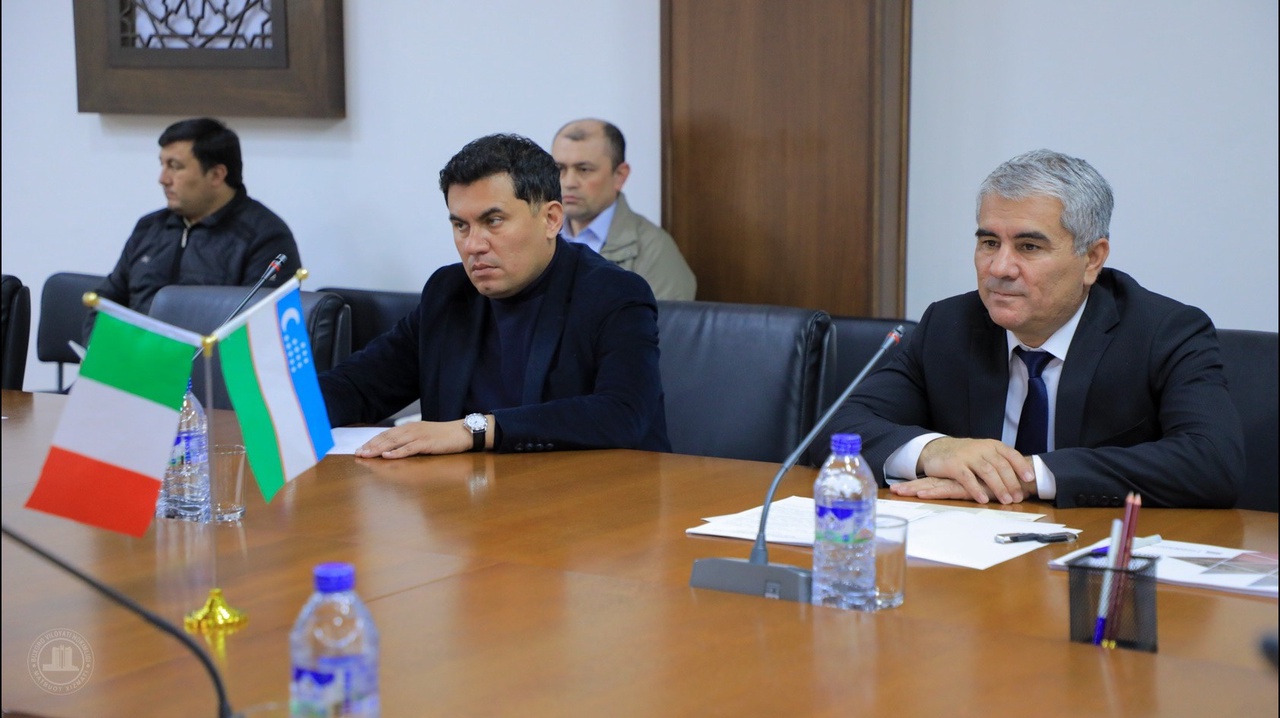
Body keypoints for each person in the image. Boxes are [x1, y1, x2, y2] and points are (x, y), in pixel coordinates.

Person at [816, 149, 1243, 509]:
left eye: (1029, 246)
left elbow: (1213, 462)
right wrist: (935, 450)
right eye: (989, 243)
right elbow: (833, 433)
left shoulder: (1164, 332)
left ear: (1092, 259)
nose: (1000, 268)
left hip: (1091, 554)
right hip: (972, 556)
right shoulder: (948, 325)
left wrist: (1030, 475)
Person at [319, 133, 670, 457]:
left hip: (592, 495)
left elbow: (623, 414)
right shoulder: (449, 291)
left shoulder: (613, 293)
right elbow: (359, 385)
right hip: (468, 494)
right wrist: (289, 412)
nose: (473, 245)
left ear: (551, 219)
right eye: (461, 225)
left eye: (494, 221)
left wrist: (474, 430)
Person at [87, 118, 300, 335]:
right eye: (162, 165)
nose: (163, 179)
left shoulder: (265, 238)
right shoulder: (149, 228)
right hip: (135, 354)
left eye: (175, 166)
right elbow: (105, 305)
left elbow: (261, 333)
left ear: (216, 175)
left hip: (207, 355)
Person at [551, 119, 697, 301]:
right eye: (559, 169)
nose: (568, 182)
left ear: (619, 175)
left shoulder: (653, 250)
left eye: (584, 169)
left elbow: (668, 319)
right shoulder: (539, 236)